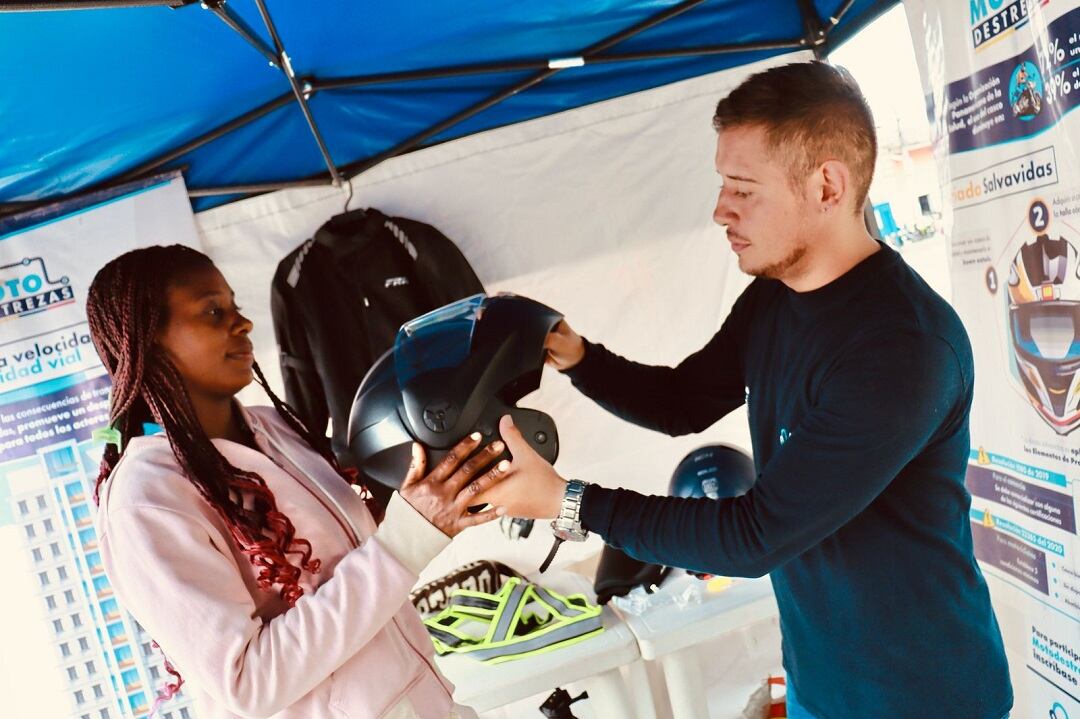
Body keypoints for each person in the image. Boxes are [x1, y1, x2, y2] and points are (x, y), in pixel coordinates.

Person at [477, 62, 1013, 718]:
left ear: (826, 185)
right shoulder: (774, 299)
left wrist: (569, 502)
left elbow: (755, 536)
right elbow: (684, 402)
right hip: (824, 686)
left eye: (743, 188)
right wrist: (577, 357)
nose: (719, 210)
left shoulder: (903, 348)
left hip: (922, 699)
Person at [87, 245, 509, 719]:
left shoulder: (274, 427)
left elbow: (352, 567)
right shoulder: (147, 500)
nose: (242, 324)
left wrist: (438, 494)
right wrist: (406, 539)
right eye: (212, 311)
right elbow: (248, 685)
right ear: (147, 341)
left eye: (235, 306)